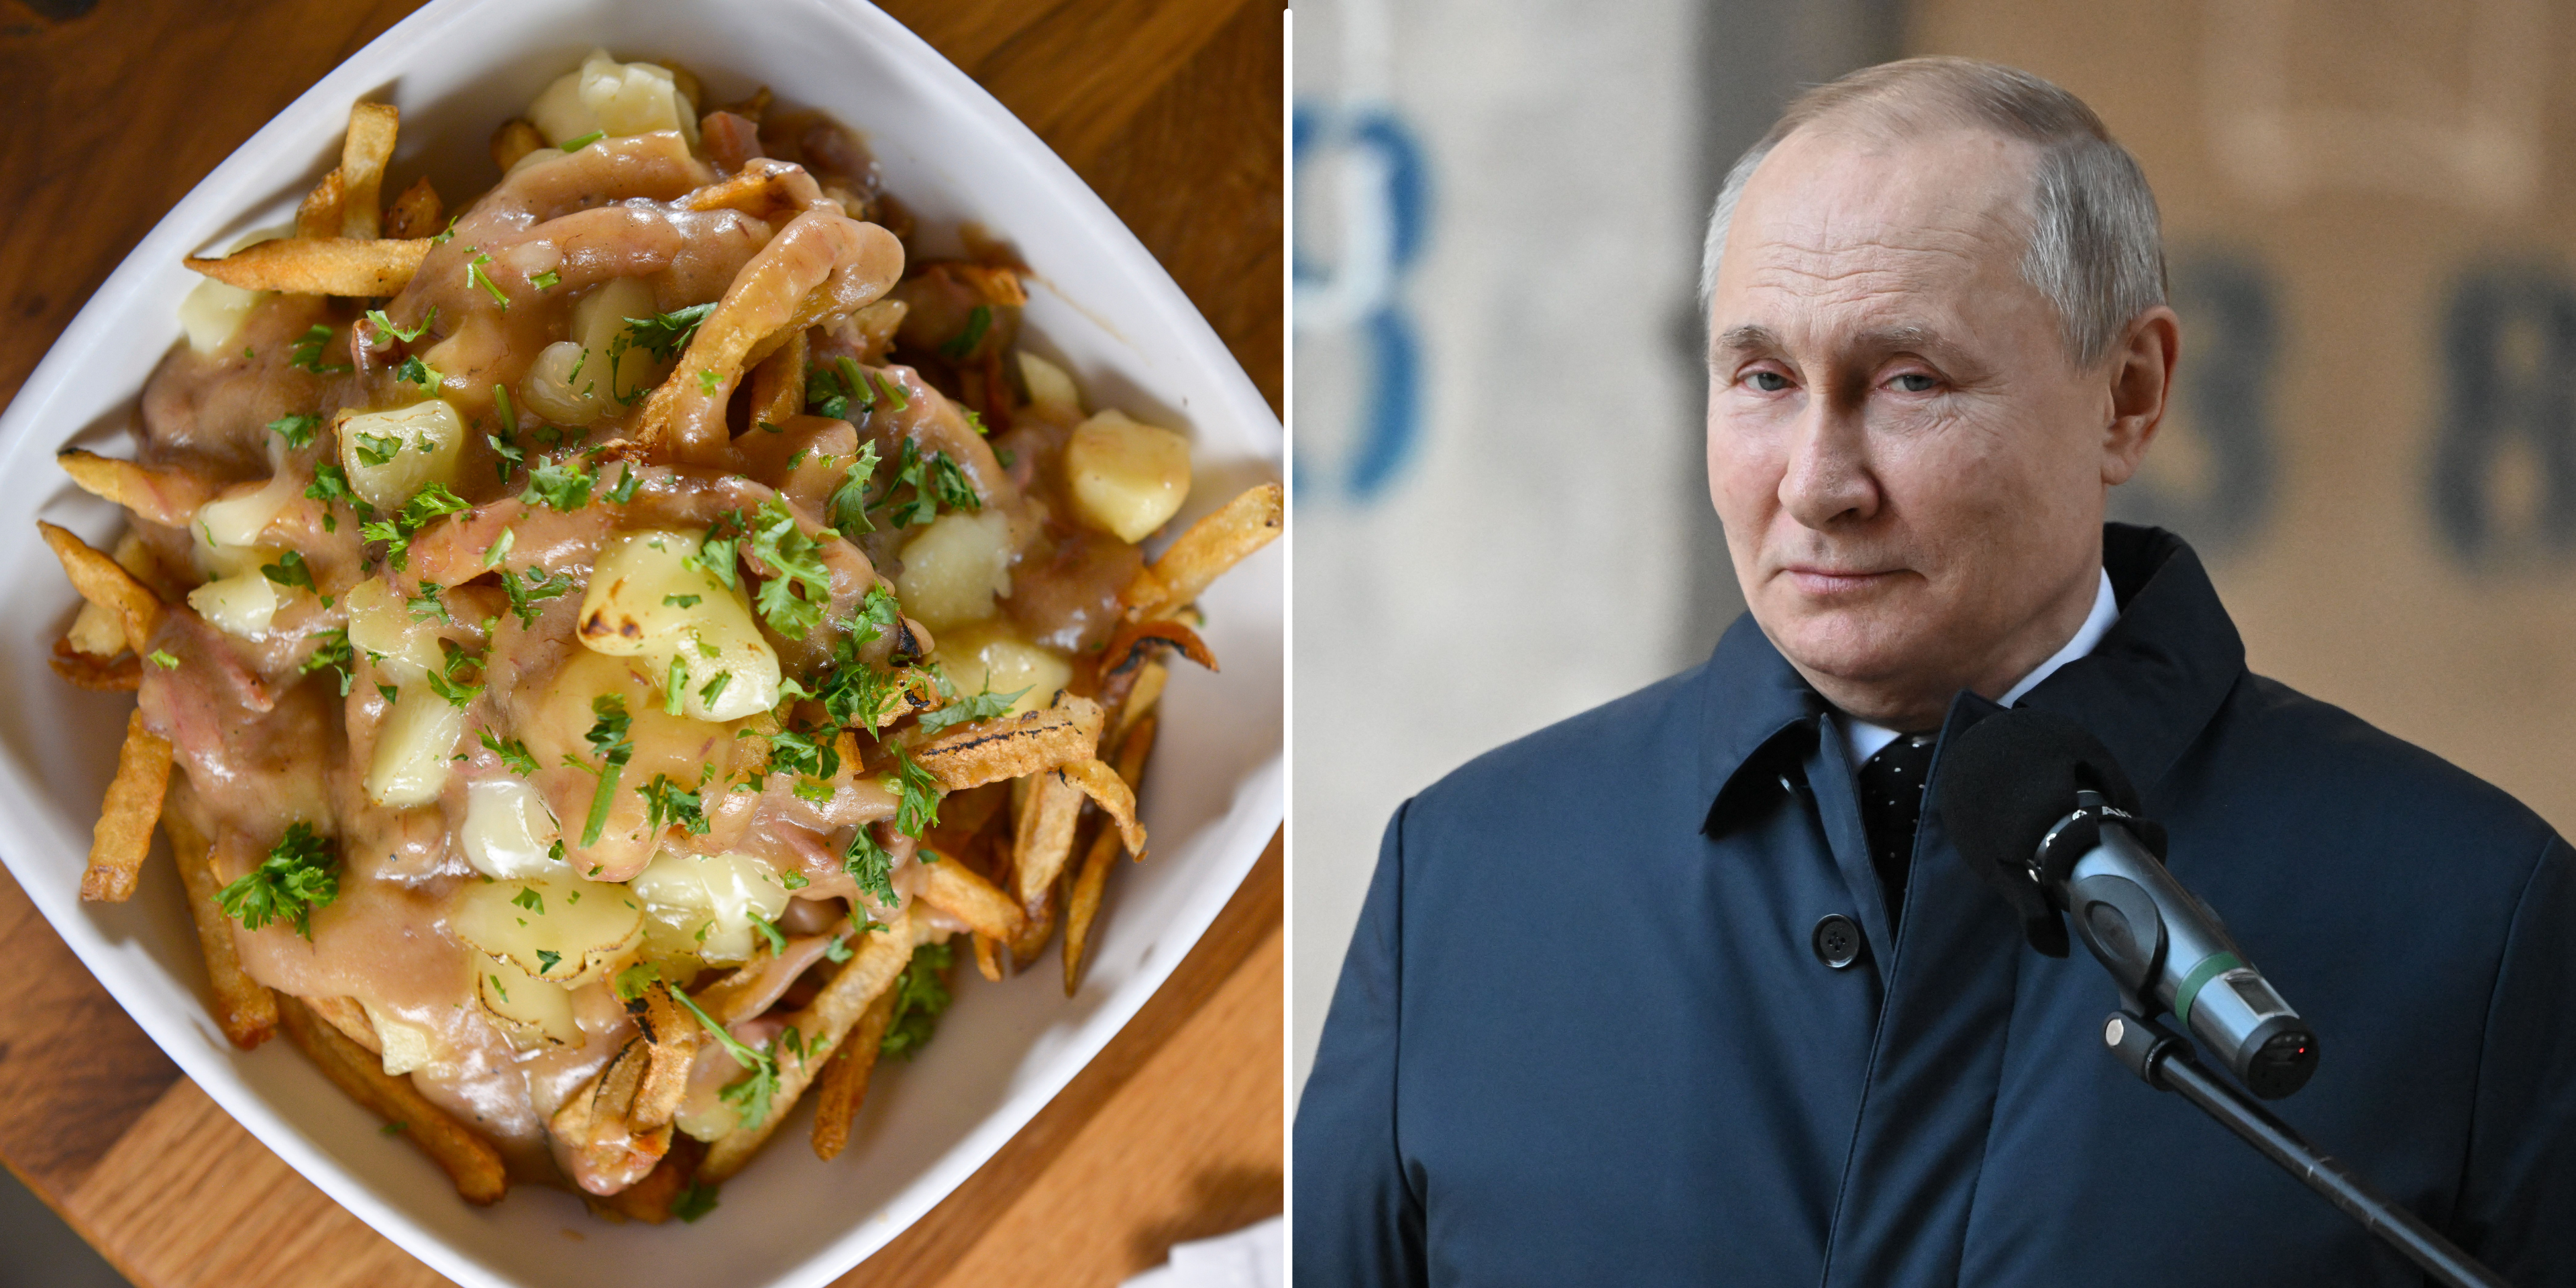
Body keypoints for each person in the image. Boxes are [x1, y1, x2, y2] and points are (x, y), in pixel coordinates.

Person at [1294, 57, 2576, 1285]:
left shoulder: (2481, 921)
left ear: (2129, 395)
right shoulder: (1462, 878)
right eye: (1762, 379)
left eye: (1909, 381)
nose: (1815, 483)